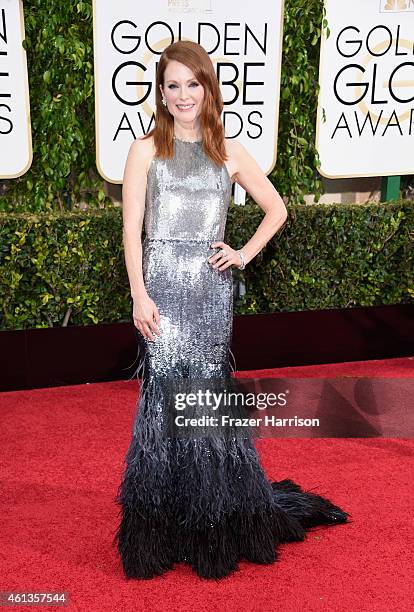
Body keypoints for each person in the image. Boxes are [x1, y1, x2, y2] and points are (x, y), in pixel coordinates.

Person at [113, 40, 350, 580]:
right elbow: (131, 230)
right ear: (161, 91)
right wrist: (138, 294)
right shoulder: (146, 149)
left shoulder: (230, 152)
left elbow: (277, 209)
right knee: (162, 405)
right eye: (172, 85)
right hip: (162, 296)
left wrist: (241, 253)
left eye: (191, 84)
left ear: (208, 87)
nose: (182, 95)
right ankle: (161, 525)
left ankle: (211, 524)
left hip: (210, 296)